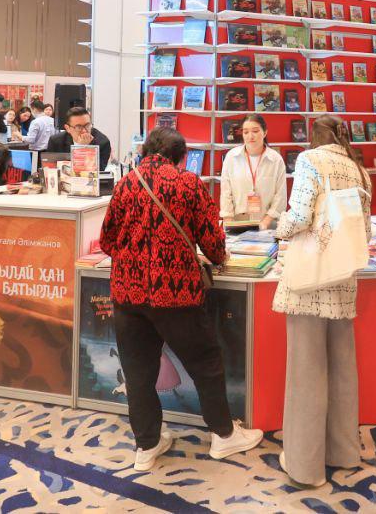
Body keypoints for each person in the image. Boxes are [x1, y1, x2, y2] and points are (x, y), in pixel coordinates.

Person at [98, 127, 263, 471]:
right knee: (205, 363)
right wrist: (213, 257)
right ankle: (223, 435)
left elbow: (108, 240)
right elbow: (212, 242)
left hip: (128, 293)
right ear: (181, 156)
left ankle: (147, 446)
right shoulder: (188, 183)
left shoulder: (126, 183)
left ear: (145, 151)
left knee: (138, 373)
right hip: (175, 292)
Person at [271, 115, 374, 486]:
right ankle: (344, 452)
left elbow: (299, 216)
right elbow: (366, 230)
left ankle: (305, 466)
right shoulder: (359, 170)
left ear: (314, 136)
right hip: (343, 280)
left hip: (310, 284)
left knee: (306, 371)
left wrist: (278, 228)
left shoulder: (310, 160)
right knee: (343, 369)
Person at [219, 114, 286, 230]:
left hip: (268, 226)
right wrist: (229, 223)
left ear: (265, 132)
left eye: (255, 131)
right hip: (237, 224)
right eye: (246, 132)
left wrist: (265, 223)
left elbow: (280, 196)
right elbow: (226, 193)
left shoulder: (276, 160)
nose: (250, 136)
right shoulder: (231, 157)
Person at [46, 107, 112, 166]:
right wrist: (80, 147)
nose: (84, 131)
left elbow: (98, 170)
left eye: (87, 125)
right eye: (79, 127)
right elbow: (50, 170)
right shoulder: (55, 141)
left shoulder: (102, 143)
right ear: (67, 128)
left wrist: (84, 149)